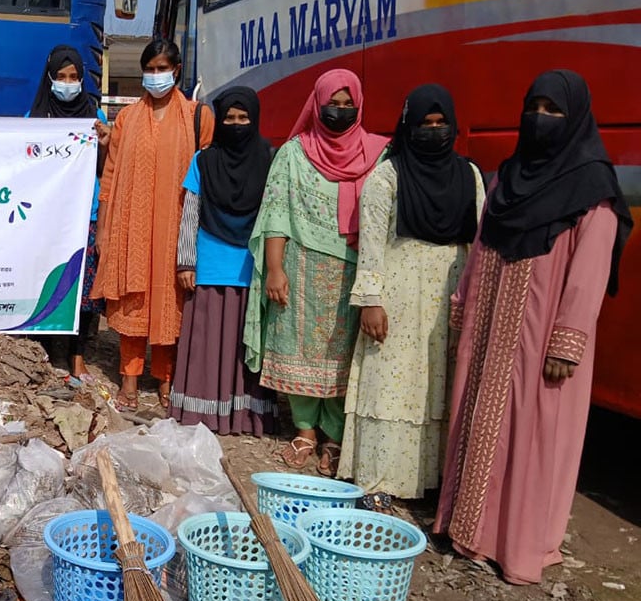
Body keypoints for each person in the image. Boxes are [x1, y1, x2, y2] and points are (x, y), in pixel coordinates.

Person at [435, 70, 631, 585]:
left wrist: (567, 340)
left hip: (541, 339)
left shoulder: (593, 193)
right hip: (489, 329)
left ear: (576, 119)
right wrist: (463, 307)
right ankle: (469, 528)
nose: (540, 119)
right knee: (479, 421)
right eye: (534, 108)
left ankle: (516, 545)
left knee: (532, 435)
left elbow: (589, 275)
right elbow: (480, 247)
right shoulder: (506, 181)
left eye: (553, 111)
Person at [339, 84, 484, 498]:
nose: (434, 131)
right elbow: (371, 243)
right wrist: (371, 300)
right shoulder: (387, 176)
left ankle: (435, 482)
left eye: (441, 123)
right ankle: (382, 480)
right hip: (398, 294)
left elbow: (479, 241)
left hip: (450, 294)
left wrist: (474, 299)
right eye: (424, 124)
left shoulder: (470, 175)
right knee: (391, 384)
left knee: (442, 383)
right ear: (408, 126)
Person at [244, 68, 387, 476]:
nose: (339, 111)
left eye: (347, 104)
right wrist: (274, 268)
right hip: (301, 265)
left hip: (353, 271)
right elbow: (276, 212)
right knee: (299, 349)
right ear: (317, 105)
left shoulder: (377, 154)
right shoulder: (294, 153)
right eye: (332, 104)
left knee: (343, 355)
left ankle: (335, 437)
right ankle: (305, 430)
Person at [91, 39, 213, 412]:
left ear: (176, 71)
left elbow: (209, 173)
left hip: (176, 227)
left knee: (169, 302)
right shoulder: (127, 119)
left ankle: (166, 379)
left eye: (162, 69)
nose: (155, 76)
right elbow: (110, 176)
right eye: (150, 69)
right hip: (132, 225)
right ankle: (129, 378)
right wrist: (104, 227)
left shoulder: (197, 116)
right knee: (133, 300)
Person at [170, 87, 279, 435]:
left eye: (243, 118)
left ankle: (244, 416)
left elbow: (276, 215)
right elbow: (191, 212)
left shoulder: (269, 158)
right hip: (210, 265)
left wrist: (276, 266)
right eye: (229, 118)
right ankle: (203, 413)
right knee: (207, 342)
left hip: (252, 266)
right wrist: (186, 262)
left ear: (255, 119)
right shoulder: (204, 160)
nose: (236, 124)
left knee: (242, 346)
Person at [25, 45, 111, 379]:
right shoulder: (35, 119)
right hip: (48, 218)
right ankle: (46, 350)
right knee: (49, 282)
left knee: (84, 291)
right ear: (50, 78)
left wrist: (106, 144)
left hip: (85, 214)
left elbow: (107, 168)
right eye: (61, 77)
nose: (68, 83)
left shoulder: (95, 117)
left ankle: (77, 356)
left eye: (74, 77)